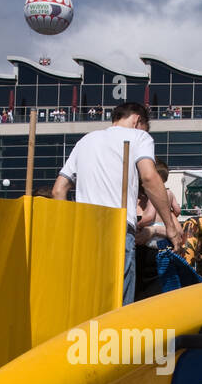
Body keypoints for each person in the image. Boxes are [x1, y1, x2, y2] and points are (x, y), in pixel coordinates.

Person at [52, 102, 181, 305]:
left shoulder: (85, 141)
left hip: (83, 233)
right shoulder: (139, 137)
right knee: (118, 309)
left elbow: (59, 190)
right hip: (117, 230)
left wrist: (68, 229)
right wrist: (171, 228)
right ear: (138, 120)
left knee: (88, 303)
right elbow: (149, 177)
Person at [135, 159, 180, 247]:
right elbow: (177, 210)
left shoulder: (156, 199)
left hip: (150, 251)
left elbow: (179, 232)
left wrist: (154, 230)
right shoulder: (130, 197)